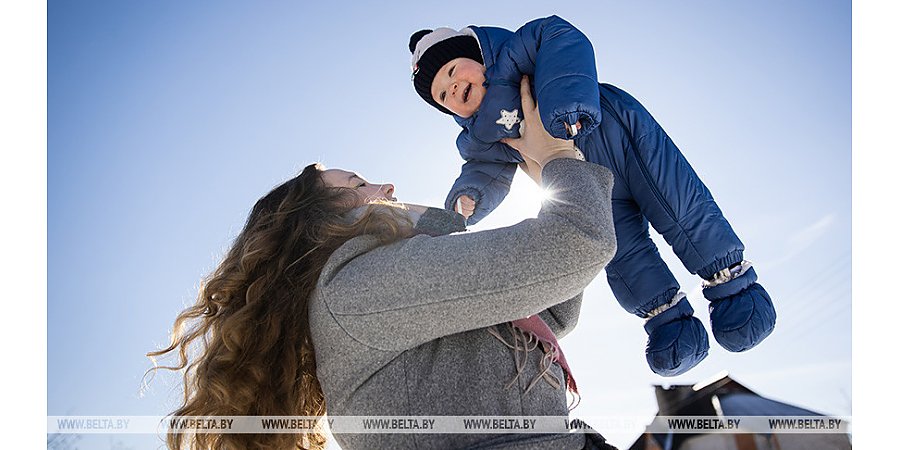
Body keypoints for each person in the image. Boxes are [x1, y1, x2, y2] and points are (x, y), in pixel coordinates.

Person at [147, 77, 619, 449]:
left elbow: (554, 309)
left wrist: (547, 181)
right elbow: (579, 243)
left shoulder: (385, 275)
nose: (386, 187)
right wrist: (559, 160)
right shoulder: (356, 287)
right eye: (358, 184)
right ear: (318, 223)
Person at [408, 15, 776, 377]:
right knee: (618, 248)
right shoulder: (479, 139)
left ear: (479, 54)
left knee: (679, 205)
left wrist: (565, 102)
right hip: (582, 181)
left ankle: (733, 286)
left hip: (622, 136)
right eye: (442, 94)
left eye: (454, 70)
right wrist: (468, 198)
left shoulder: (515, 56)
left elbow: (560, 35)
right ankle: (667, 320)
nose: (453, 88)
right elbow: (482, 171)